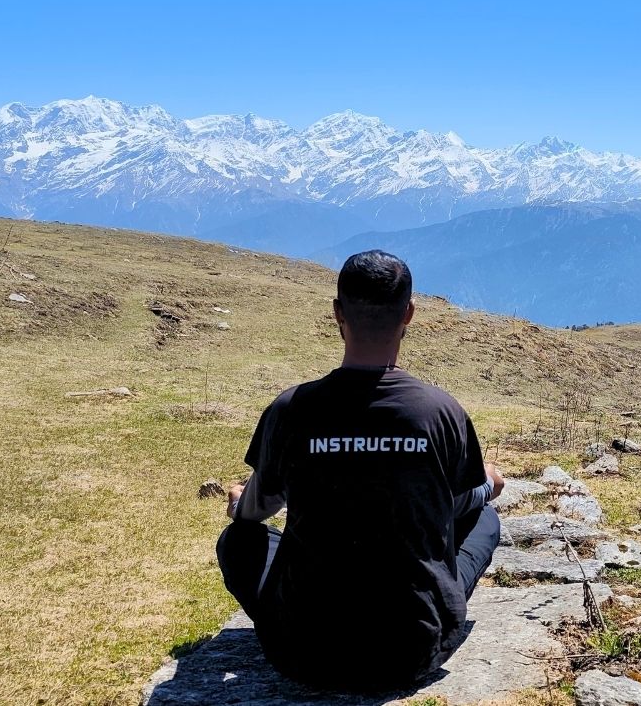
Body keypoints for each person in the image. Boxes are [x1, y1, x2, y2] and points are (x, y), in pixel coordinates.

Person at [216, 250, 504, 689]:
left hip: (303, 650)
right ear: (409, 313)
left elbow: (256, 511)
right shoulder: (440, 412)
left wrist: (240, 503)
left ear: (337, 313)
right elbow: (456, 500)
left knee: (239, 539)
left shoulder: (291, 409)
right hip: (410, 651)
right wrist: (488, 485)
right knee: (484, 518)